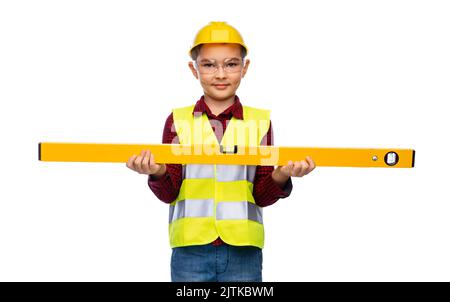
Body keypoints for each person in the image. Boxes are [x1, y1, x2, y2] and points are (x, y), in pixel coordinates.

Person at [126, 21, 316, 282]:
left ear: (244, 67)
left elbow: (261, 195)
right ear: (194, 70)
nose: (220, 74)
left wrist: (282, 174)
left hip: (244, 251)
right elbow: (169, 192)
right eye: (209, 65)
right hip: (189, 250)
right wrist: (157, 172)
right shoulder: (177, 121)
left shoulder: (259, 122)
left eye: (231, 64)